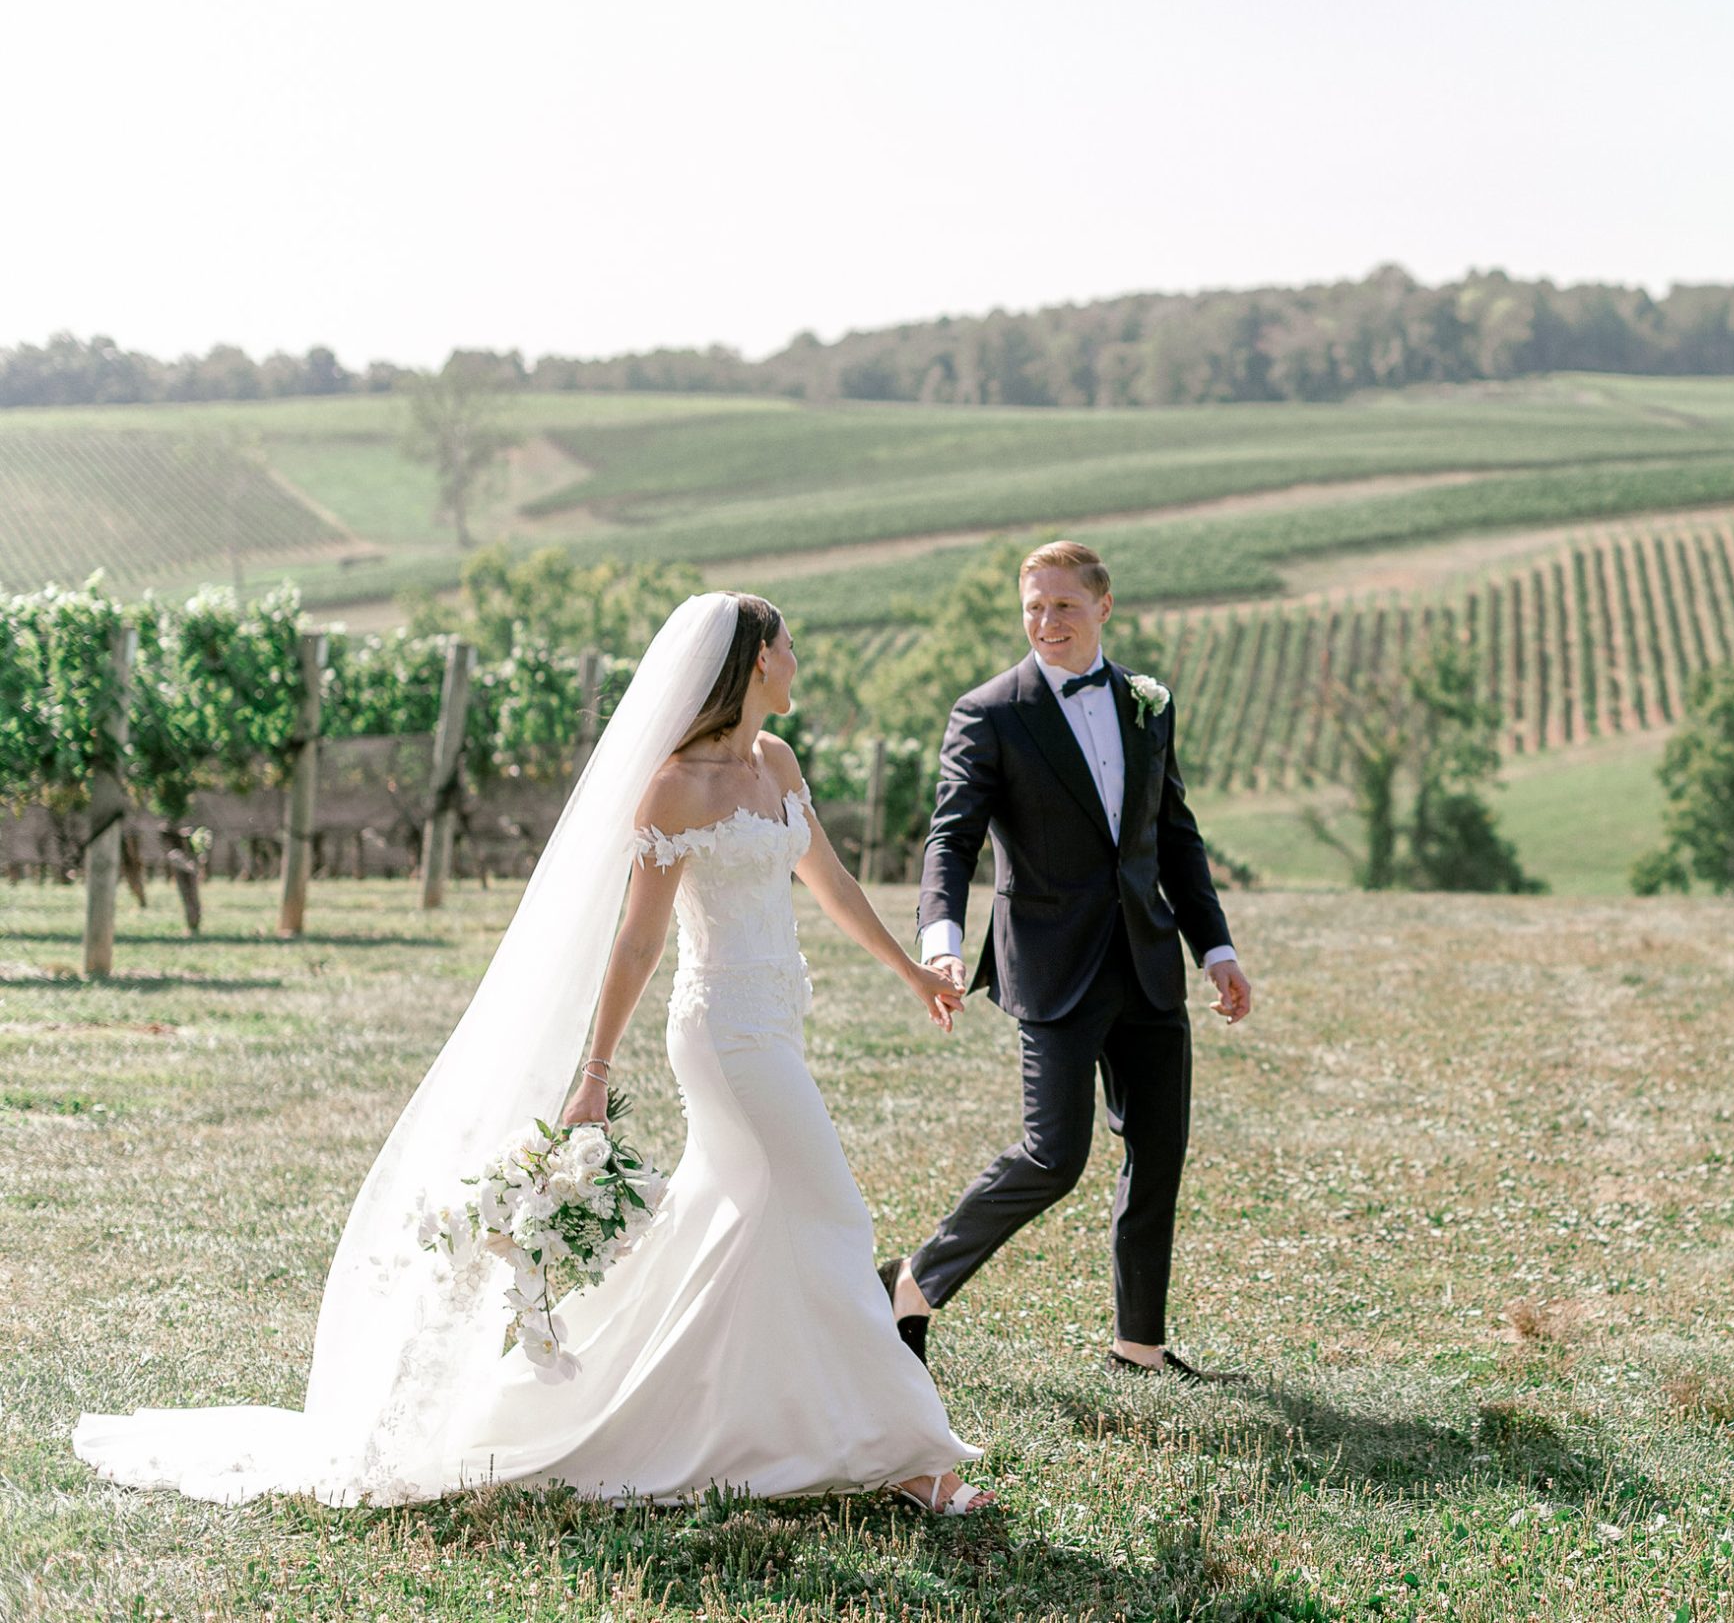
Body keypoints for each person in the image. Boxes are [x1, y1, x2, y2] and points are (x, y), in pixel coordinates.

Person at [75, 592, 998, 1515]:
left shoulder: (778, 762)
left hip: (778, 1023)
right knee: (832, 1213)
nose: (799, 664)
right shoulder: (675, 786)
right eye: (789, 647)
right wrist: (593, 1073)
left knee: (737, 1230)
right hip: (723, 1036)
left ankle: (687, 1419)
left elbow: (828, 878)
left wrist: (909, 973)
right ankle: (911, 1455)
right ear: (757, 661)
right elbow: (637, 942)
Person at [880, 541, 1251, 1381]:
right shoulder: (990, 713)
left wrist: (1215, 947)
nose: (1047, 623)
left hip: (1149, 962)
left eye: (1064, 607)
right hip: (1051, 966)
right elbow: (952, 838)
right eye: (1034, 608)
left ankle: (1138, 1346)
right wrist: (942, 940)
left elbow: (1175, 837)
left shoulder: (1147, 705)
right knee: (1053, 1156)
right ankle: (910, 1283)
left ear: (1103, 607)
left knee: (1159, 1153)